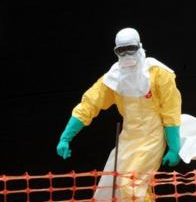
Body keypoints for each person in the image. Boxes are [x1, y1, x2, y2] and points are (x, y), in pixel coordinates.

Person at [55, 27, 182, 202]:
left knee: (131, 185)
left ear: (139, 46)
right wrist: (66, 137)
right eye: (121, 50)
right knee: (111, 188)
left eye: (131, 48)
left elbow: (171, 111)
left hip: (152, 136)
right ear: (116, 51)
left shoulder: (158, 73)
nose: (127, 54)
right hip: (128, 139)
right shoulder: (114, 77)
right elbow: (90, 104)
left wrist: (174, 146)